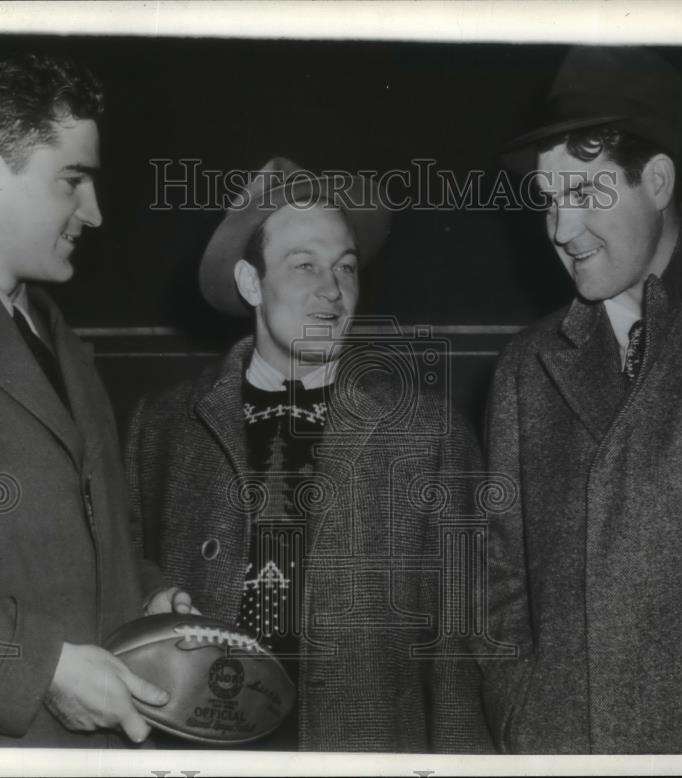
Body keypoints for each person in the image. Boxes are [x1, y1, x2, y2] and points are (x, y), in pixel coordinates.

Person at [125, 158, 495, 752]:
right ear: (252, 284)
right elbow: (120, 577)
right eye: (304, 267)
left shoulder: (429, 434)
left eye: (345, 268)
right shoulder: (162, 426)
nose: (333, 290)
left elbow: (465, 644)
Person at [0, 48, 193, 747]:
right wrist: (44, 667)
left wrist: (144, 598)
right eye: (72, 179)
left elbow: (69, 545)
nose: (95, 211)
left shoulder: (51, 328)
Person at [483, 45, 682, 753]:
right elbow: (498, 585)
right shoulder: (526, 368)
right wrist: (524, 716)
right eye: (548, 200)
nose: (560, 230)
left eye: (583, 194)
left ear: (658, 180)